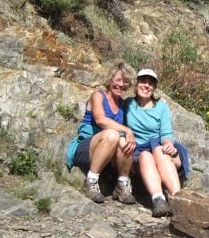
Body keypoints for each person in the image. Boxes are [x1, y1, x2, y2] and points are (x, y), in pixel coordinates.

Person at [66, 63, 136, 204]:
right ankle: (90, 183)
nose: (121, 85)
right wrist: (127, 130)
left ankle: (122, 184)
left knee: (125, 141)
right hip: (86, 147)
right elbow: (100, 120)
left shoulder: (123, 105)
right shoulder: (98, 96)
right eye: (117, 80)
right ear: (110, 80)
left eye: (125, 81)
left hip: (108, 149)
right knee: (113, 134)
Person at [125, 68, 189, 217]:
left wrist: (168, 143)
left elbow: (166, 134)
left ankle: (177, 199)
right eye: (143, 82)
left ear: (154, 88)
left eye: (150, 83)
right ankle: (158, 200)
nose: (146, 86)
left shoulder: (161, 107)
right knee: (145, 156)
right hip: (140, 150)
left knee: (159, 151)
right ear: (137, 84)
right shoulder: (128, 104)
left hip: (159, 147)